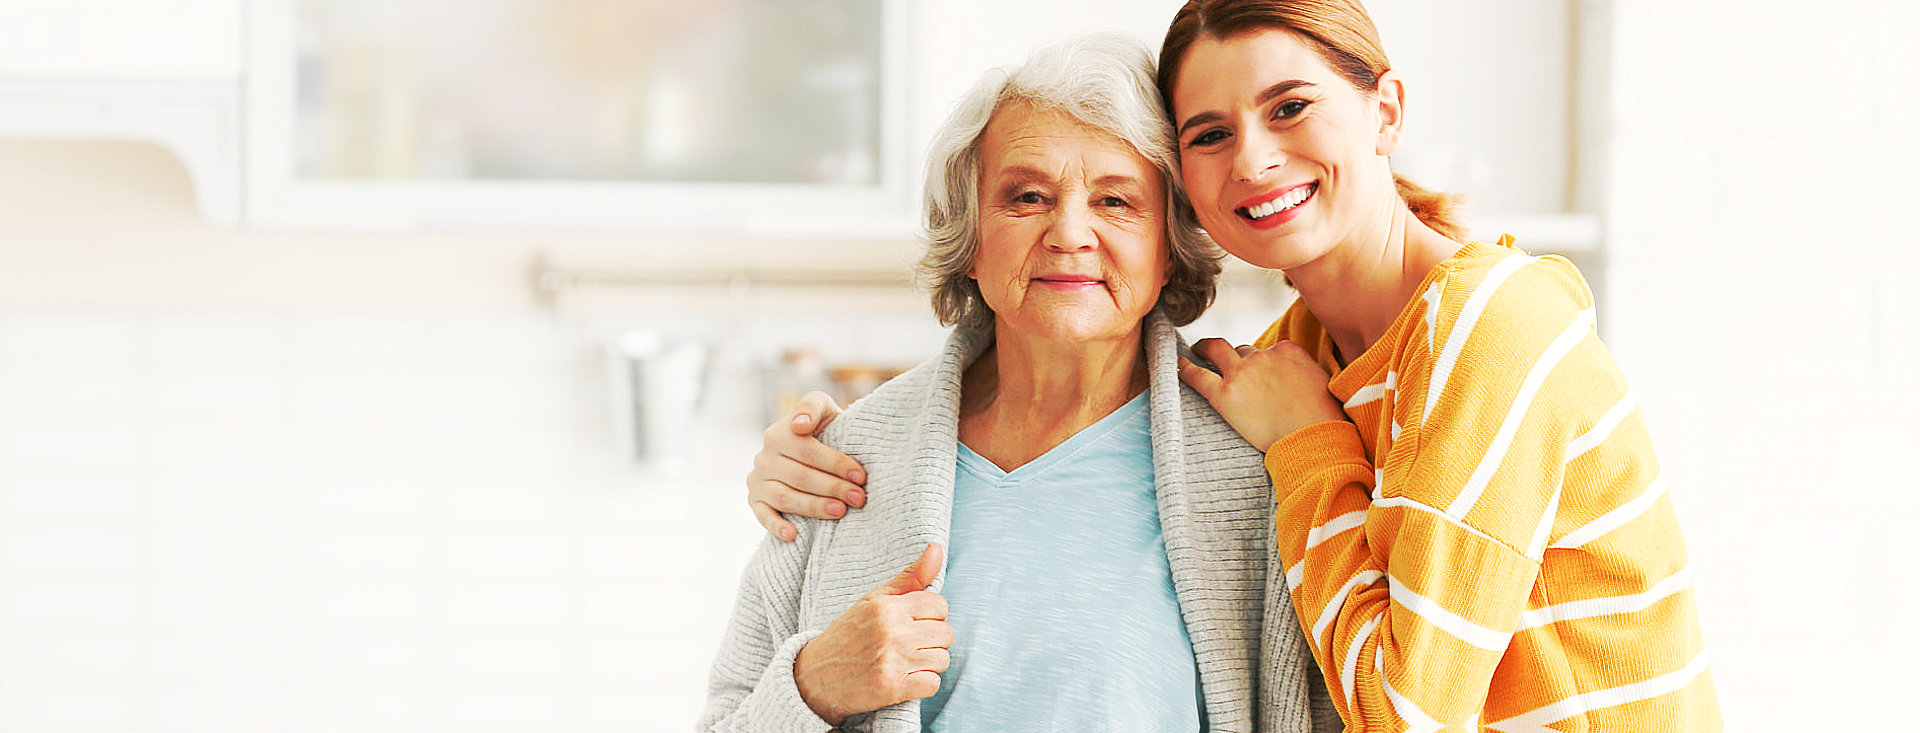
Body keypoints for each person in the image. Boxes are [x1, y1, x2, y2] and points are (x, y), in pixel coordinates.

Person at [748, 1, 1722, 730]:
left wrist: (1305, 443)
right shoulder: (1296, 365)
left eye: (1291, 106)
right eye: (1212, 133)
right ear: (971, 237)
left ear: (1386, 111)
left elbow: (1399, 710)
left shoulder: (1472, 335)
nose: (1254, 161)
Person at [703, 33, 1335, 733]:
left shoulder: (1256, 458)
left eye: (1116, 201)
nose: (1070, 233)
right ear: (972, 240)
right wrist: (813, 684)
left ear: (1169, 248)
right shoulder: (843, 464)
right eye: (1028, 196)